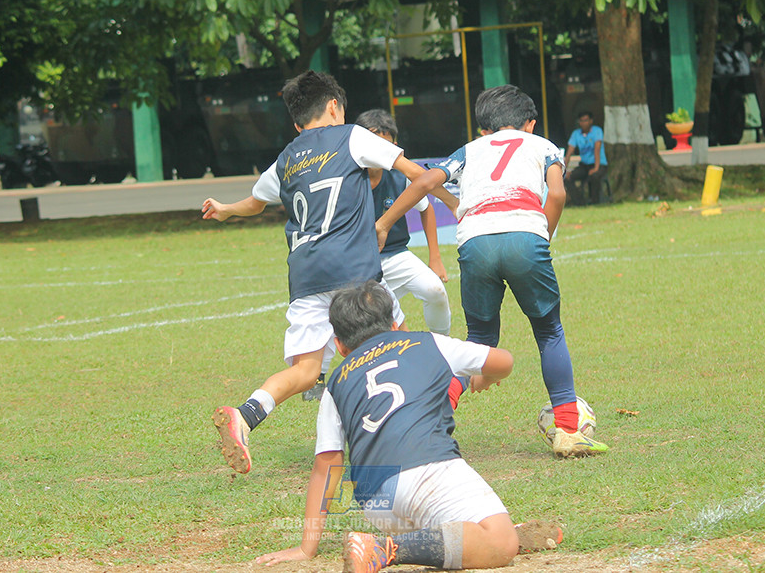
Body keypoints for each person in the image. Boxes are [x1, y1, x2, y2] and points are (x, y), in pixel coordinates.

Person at [202, 71, 456, 474]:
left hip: (305, 276)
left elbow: (255, 202)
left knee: (304, 372)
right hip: (354, 271)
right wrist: (455, 203)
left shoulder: (285, 159)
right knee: (402, 347)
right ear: (335, 107)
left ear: (297, 120)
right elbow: (417, 174)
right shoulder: (353, 136)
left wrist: (226, 209)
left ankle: (246, 414)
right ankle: (422, 433)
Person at [255, 281, 562, 572]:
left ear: (340, 345)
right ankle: (388, 549)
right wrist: (485, 377)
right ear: (393, 324)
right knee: (502, 542)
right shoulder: (426, 342)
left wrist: (307, 547)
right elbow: (504, 361)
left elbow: (326, 465)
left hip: (376, 500)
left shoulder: (336, 384)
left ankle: (451, 534)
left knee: (443, 522)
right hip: (427, 471)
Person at [374, 85, 608, 458]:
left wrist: (385, 223)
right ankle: (567, 428)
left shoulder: (470, 149)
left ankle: (427, 425)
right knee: (548, 330)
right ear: (529, 124)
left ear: (484, 129)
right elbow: (559, 194)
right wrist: (541, 237)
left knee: (479, 340)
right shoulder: (544, 145)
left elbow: (424, 181)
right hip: (524, 236)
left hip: (474, 239)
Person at [354, 109, 450, 335]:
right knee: (377, 323)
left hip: (397, 255)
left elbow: (426, 209)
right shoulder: (347, 179)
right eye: (371, 145)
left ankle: (441, 344)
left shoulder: (400, 177)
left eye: (384, 147)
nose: (378, 153)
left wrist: (435, 258)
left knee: (435, 291)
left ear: (395, 149)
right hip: (360, 263)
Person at [563, 110, 608, 206]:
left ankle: (595, 202)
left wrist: (596, 168)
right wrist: (565, 169)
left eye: (586, 120)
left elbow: (597, 149)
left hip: (599, 163)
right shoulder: (576, 134)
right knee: (567, 178)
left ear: (591, 121)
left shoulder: (597, 131)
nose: (584, 123)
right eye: (582, 121)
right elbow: (569, 152)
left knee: (595, 176)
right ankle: (580, 203)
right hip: (584, 165)